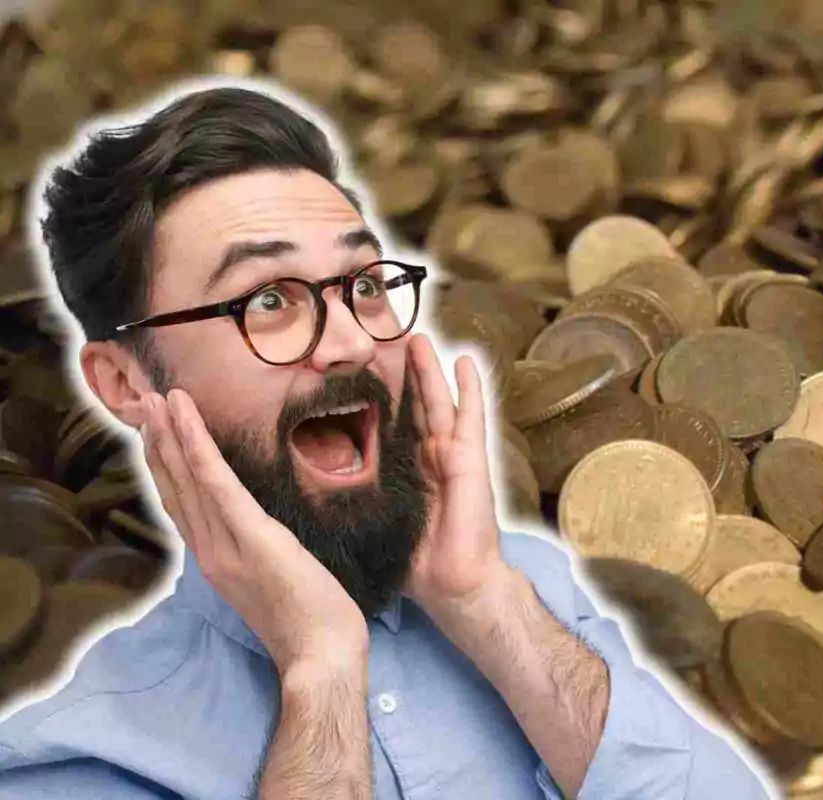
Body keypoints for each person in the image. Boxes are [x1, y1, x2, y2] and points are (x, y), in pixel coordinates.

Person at [0, 82, 774, 799]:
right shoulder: (84, 752)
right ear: (127, 385)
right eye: (268, 299)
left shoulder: (530, 592)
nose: (349, 342)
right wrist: (320, 674)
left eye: (364, 285)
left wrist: (483, 603)